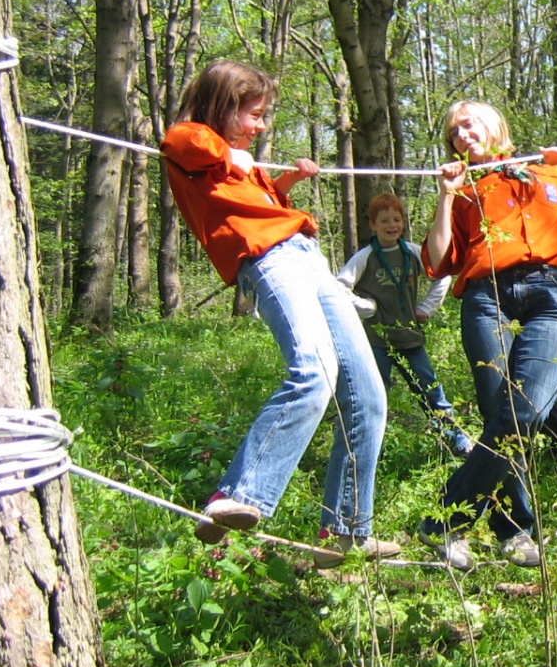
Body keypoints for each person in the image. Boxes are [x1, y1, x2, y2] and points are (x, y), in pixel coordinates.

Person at [160, 58, 397, 568]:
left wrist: (286, 180)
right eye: (254, 114)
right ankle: (236, 495)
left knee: (369, 393)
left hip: (307, 256)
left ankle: (348, 532)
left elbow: (256, 200)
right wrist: (232, 155)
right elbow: (182, 142)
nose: (260, 126)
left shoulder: (232, 159)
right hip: (268, 260)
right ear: (223, 106)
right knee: (315, 372)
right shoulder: (191, 141)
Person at [420, 102, 557, 570]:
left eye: (468, 123)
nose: (461, 133)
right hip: (486, 296)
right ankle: (516, 532)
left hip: (554, 291)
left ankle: (445, 520)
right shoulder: (464, 189)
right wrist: (444, 195)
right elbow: (438, 261)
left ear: (496, 124)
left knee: (527, 408)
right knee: (500, 412)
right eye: (453, 131)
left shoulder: (554, 170)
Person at [337, 193, 471, 456]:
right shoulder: (364, 258)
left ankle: (454, 437)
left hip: (410, 338)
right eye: (384, 220)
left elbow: (440, 274)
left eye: (396, 219)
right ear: (373, 225)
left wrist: (426, 308)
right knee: (376, 393)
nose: (392, 225)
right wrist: (366, 307)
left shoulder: (411, 253)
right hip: (376, 341)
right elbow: (338, 288)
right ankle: (370, 448)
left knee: (430, 387)